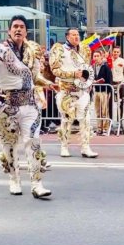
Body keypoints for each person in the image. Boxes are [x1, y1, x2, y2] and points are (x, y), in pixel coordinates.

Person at [0, 15, 54, 198]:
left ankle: (37, 184)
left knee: (33, 141)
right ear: (9, 31)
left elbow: (34, 76)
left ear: (26, 32)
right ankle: (14, 179)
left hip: (29, 104)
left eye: (21, 27)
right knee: (9, 146)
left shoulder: (32, 51)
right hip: (7, 106)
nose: (18, 29)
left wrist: (48, 83)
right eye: (15, 27)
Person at [49, 28, 99, 158]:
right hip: (66, 90)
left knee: (86, 120)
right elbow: (54, 70)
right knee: (66, 120)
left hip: (81, 91)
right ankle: (64, 147)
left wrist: (87, 81)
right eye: (73, 35)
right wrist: (72, 74)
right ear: (67, 36)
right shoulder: (59, 49)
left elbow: (87, 68)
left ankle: (85, 147)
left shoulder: (84, 49)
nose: (76, 37)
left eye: (78, 34)